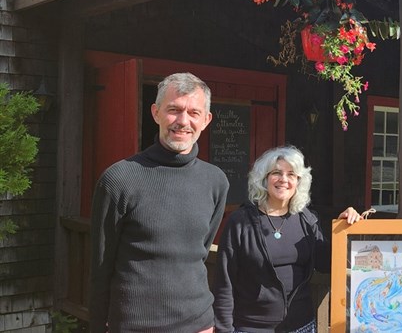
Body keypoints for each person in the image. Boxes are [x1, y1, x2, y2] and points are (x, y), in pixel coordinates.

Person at [90, 72, 229, 333]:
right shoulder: (119, 179)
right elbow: (100, 267)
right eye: (173, 110)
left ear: (206, 120)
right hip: (134, 325)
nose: (183, 121)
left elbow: (199, 250)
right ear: (156, 113)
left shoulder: (216, 181)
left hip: (198, 324)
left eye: (193, 113)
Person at [213, 145, 364, 333]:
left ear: (299, 181)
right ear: (264, 178)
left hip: (300, 326)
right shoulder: (241, 222)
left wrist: (348, 228)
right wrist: (223, 329)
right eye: (276, 172)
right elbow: (224, 282)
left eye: (291, 174)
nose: (284, 179)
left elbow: (327, 263)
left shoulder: (306, 220)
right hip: (251, 327)